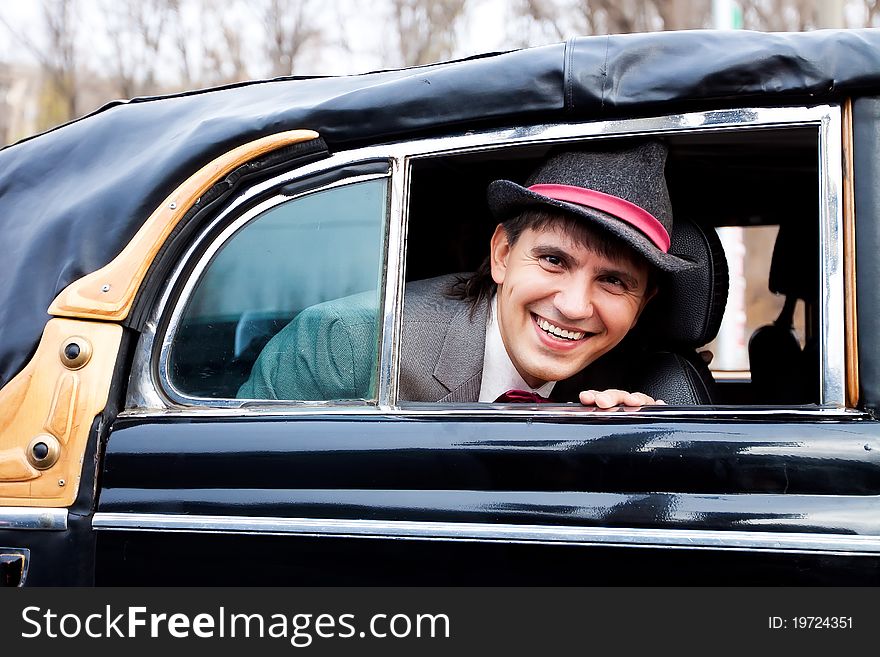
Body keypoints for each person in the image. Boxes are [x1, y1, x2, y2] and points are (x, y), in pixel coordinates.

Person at [238, 140, 695, 407]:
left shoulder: (638, 390)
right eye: (554, 261)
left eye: (614, 281)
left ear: (642, 306)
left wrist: (626, 452)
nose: (575, 306)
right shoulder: (351, 344)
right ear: (501, 254)